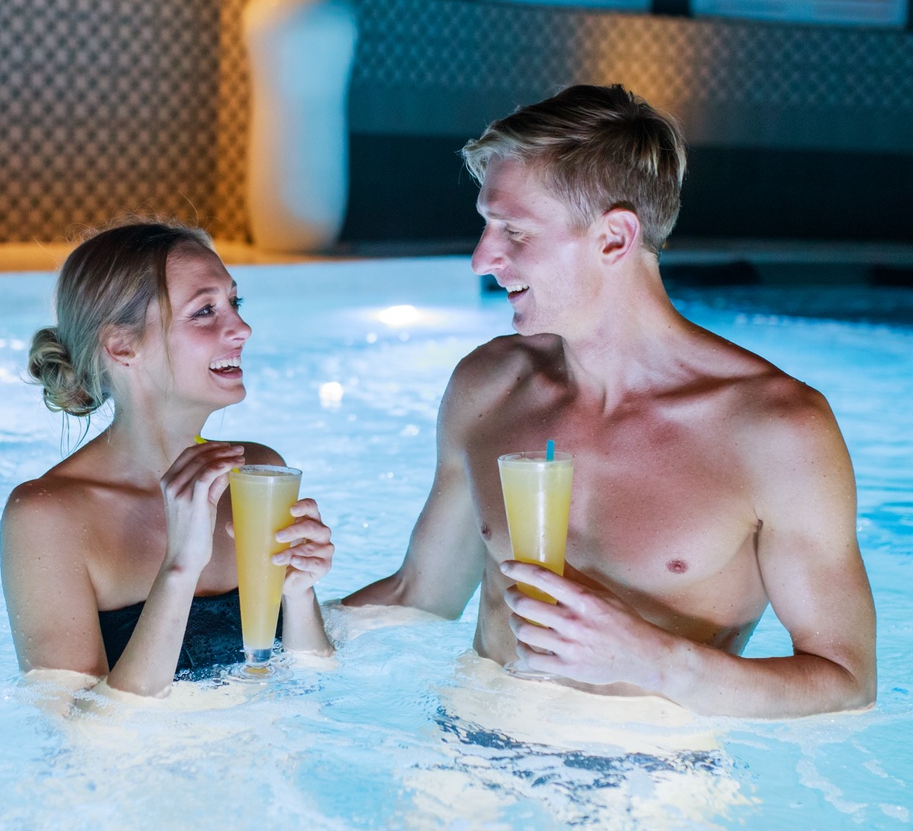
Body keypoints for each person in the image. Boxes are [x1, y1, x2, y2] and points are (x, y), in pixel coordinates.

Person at [342, 85, 876, 718]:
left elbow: (847, 682)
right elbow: (421, 595)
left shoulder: (774, 431)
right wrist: (264, 626)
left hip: (647, 768)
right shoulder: (489, 387)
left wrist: (652, 660)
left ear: (615, 239)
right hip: (469, 736)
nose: (484, 258)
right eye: (487, 226)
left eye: (513, 230)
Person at [0, 221, 335, 697]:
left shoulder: (256, 473)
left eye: (234, 304)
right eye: (204, 311)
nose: (241, 328)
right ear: (122, 346)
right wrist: (180, 566)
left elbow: (307, 689)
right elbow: (80, 738)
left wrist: (300, 593)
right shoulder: (47, 517)